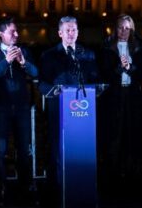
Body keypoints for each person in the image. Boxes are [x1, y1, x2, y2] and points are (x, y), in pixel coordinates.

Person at [38, 16, 99, 192]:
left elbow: (95, 79)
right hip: (58, 109)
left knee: (81, 150)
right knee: (57, 150)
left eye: (74, 30)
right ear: (60, 33)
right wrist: (54, 91)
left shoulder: (88, 54)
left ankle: (81, 186)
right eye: (67, 30)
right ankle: (57, 187)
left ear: (78, 32)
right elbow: (42, 84)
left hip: (83, 113)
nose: (71, 33)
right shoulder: (48, 55)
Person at [0, 16, 38, 204]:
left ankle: (27, 185)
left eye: (17, 31)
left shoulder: (25, 51)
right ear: (1, 34)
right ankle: (1, 185)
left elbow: (35, 73)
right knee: (0, 150)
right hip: (1, 108)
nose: (16, 34)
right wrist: (7, 60)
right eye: (12, 32)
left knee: (25, 149)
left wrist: (23, 62)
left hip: (22, 107)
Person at [100, 14, 142, 178]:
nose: (124, 31)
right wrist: (120, 68)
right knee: (114, 135)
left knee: (132, 133)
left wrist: (130, 68)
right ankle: (112, 173)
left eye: (127, 28)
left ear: (132, 29)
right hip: (114, 95)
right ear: (115, 28)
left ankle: (132, 173)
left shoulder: (139, 46)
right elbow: (104, 73)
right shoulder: (107, 46)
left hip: (133, 95)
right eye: (121, 27)